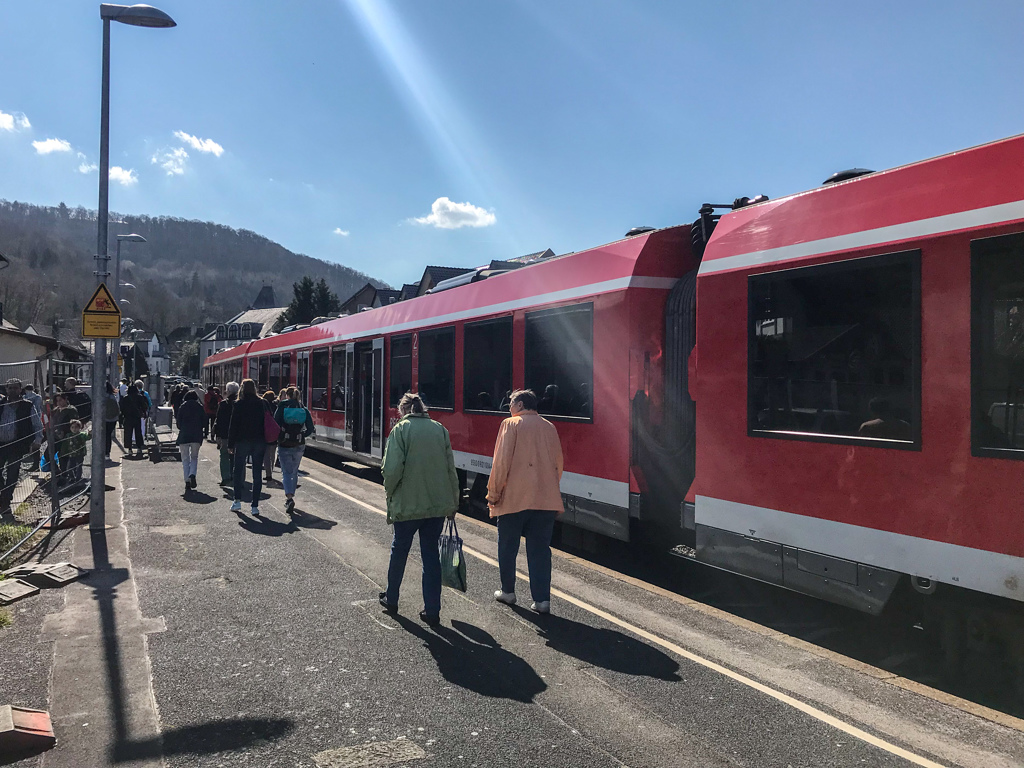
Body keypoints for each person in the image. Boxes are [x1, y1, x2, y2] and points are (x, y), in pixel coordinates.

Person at [379, 392, 460, 626]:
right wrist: (453, 502)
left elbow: (392, 469)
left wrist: (390, 492)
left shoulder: (401, 430)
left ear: (402, 410)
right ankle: (432, 610)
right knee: (430, 556)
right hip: (435, 505)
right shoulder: (440, 429)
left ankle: (391, 598)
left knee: (400, 550)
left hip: (408, 505)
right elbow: (449, 470)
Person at [487, 389, 564, 614]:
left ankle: (508, 591)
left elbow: (501, 464)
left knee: (508, 546)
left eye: (510, 403)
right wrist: (548, 487)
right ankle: (542, 601)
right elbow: (558, 464)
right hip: (545, 500)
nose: (509, 408)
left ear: (519, 404)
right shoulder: (549, 427)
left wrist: (493, 496)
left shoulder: (510, 424)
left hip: (514, 499)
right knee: (540, 551)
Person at [0, 378, 43, 520]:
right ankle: (4, 497)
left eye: (15, 388)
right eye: (10, 388)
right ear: (6, 390)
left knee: (12, 474)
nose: (12, 390)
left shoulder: (27, 405)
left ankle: (5, 502)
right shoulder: (1, 405)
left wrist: (37, 440)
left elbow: (37, 424)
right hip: (1, 445)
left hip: (17, 446)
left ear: (20, 389)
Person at [228, 378, 269, 515]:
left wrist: (230, 444)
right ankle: (255, 506)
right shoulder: (262, 403)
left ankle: (237, 501)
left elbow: (233, 425)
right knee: (257, 473)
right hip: (259, 441)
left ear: (242, 389)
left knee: (238, 470)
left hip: (242, 441)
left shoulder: (239, 404)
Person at [274, 386, 315, 514]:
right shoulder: (303, 408)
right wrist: (301, 435)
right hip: (299, 444)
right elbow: (310, 428)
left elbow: (276, 423)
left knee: (286, 471)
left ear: (287, 395)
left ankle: (289, 497)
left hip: (285, 443)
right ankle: (292, 494)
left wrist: (280, 436)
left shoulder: (282, 406)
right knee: (294, 471)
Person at [176, 390, 205, 493]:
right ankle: (192, 474)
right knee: (194, 457)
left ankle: (187, 481)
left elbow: (178, 423)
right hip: (196, 436)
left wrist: (182, 428)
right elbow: (204, 422)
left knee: (185, 459)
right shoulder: (199, 407)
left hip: (184, 435)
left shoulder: (182, 406)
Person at [214, 381, 239, 486]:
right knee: (237, 457)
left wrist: (217, 435)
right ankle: (236, 477)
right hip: (238, 435)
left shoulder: (223, 404)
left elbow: (218, 420)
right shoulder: (240, 403)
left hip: (225, 434)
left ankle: (226, 477)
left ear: (228, 391)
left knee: (224, 455)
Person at [21, 383, 44, 469]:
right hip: (34, 419)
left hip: (31, 420)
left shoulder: (26, 398)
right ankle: (35, 463)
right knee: (34, 442)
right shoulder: (37, 397)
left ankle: (34, 463)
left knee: (34, 442)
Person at [261, 390, 279, 485]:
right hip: (274, 433)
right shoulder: (276, 406)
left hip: (265, 434)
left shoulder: (263, 405)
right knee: (273, 454)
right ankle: (271, 471)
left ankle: (268, 474)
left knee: (266, 456)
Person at [102, 382, 120, 459]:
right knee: (108, 435)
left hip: (104, 419)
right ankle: (107, 453)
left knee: (102, 436)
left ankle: (102, 452)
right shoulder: (113, 396)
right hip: (113, 419)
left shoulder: (102, 396)